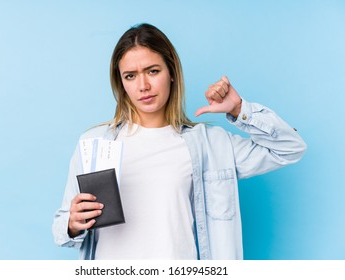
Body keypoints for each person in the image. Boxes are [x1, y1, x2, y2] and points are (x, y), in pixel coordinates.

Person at [52, 23, 306, 260]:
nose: (143, 85)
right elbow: (61, 227)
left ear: (171, 73)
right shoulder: (94, 143)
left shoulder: (210, 144)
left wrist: (240, 109)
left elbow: (290, 148)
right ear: (121, 83)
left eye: (153, 71)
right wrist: (73, 225)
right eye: (130, 76)